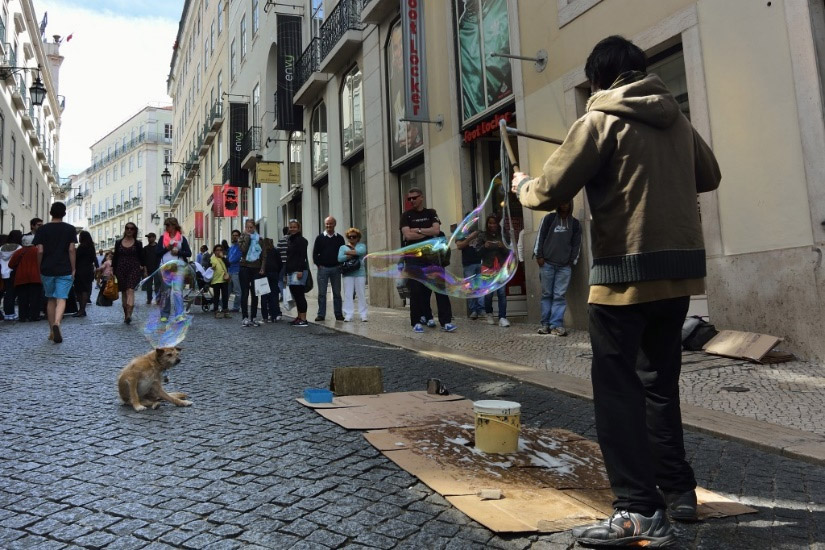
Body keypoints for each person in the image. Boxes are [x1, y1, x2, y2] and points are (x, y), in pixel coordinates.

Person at [512, 35, 721, 547]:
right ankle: (679, 491)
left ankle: (637, 510)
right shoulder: (677, 119)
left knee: (616, 390)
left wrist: (520, 184)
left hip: (624, 277)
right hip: (677, 278)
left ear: (599, 80)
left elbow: (550, 190)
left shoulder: (599, 120)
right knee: (658, 383)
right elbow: (710, 176)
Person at [400, 187, 456, 333]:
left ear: (421, 197)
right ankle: (416, 321)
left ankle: (446, 322)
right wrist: (427, 233)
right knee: (416, 291)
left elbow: (436, 231)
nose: (411, 201)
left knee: (440, 290)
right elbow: (407, 236)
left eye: (414, 197)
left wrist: (417, 230)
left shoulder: (431, 213)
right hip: (414, 258)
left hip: (432, 258)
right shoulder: (406, 215)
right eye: (409, 198)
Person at [532, 202, 582, 336]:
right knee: (547, 295)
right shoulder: (549, 219)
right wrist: (539, 255)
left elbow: (576, 244)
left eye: (567, 202)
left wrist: (572, 261)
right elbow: (540, 237)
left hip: (564, 267)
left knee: (559, 296)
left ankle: (556, 325)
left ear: (571, 204)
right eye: (562, 201)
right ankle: (545, 325)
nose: (564, 204)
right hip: (547, 263)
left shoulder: (575, 224)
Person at [33, 202, 76, 344]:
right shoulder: (70, 229)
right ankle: (58, 322)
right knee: (61, 298)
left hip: (47, 268)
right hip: (64, 268)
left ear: (50, 213)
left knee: (50, 299)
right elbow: (71, 250)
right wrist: (73, 267)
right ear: (64, 214)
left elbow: (39, 251)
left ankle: (52, 330)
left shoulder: (42, 230)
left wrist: (40, 267)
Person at [155, 217, 192, 322]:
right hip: (164, 267)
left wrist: (178, 252)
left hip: (178, 267)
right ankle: (164, 314)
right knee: (165, 291)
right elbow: (157, 253)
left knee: (177, 291)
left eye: (168, 225)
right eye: (165, 225)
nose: (166, 227)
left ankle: (179, 314)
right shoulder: (162, 238)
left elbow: (189, 253)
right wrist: (167, 248)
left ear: (174, 226)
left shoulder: (181, 238)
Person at [478, 215, 511, 327]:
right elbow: (477, 253)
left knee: (502, 293)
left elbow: (509, 253)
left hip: (501, 268)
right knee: (488, 294)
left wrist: (503, 247)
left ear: (498, 224)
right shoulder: (482, 236)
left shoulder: (503, 235)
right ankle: (489, 313)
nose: (492, 225)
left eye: (494, 223)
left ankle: (502, 317)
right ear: (487, 224)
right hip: (487, 267)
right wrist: (484, 246)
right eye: (490, 223)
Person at [312, 216, 345, 322]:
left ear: (334, 224)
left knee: (337, 293)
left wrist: (340, 264)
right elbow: (315, 253)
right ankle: (321, 315)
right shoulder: (319, 238)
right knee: (322, 293)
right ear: (324, 224)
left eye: (330, 224)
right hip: (323, 269)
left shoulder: (340, 238)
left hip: (336, 269)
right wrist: (318, 265)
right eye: (327, 224)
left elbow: (343, 252)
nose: (328, 226)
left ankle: (338, 314)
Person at [112, 222, 145, 324]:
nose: (129, 230)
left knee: (130, 290)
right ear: (125, 230)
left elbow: (142, 258)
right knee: (124, 292)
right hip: (120, 269)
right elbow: (115, 257)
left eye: (132, 229)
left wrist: (143, 268)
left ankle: (129, 314)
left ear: (134, 231)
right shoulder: (118, 242)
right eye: (127, 228)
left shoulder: (138, 243)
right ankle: (126, 314)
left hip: (134, 268)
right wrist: (113, 270)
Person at [455, 214, 485, 320]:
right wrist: (470, 238)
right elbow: (459, 246)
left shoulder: (480, 232)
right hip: (468, 264)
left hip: (480, 262)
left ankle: (481, 309)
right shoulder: (461, 233)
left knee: (480, 287)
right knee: (470, 288)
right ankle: (473, 310)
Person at [238, 219, 267, 327]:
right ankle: (245, 317)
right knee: (245, 293)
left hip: (256, 268)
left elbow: (264, 255)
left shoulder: (260, 239)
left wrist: (263, 267)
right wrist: (247, 237)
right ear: (245, 228)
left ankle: (253, 317)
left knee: (255, 293)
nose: (250, 229)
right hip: (245, 267)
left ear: (254, 227)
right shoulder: (242, 237)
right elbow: (243, 250)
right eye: (248, 227)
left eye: (251, 227)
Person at [8, 234, 41, 322]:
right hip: (35, 277)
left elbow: (10, 264)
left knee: (22, 299)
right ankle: (34, 316)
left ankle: (23, 316)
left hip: (21, 277)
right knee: (35, 298)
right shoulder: (37, 251)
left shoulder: (19, 252)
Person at [338, 227, 368, 322]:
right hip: (348, 273)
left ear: (358, 237)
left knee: (361, 294)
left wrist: (347, 253)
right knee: (348, 294)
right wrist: (353, 254)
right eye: (350, 237)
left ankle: (363, 314)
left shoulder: (361, 245)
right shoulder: (342, 247)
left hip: (360, 273)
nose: (351, 238)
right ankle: (348, 314)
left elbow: (361, 252)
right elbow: (339, 258)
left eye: (354, 237)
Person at [285, 219, 310, 327]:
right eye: (291, 227)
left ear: (298, 228)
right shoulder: (290, 240)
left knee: (300, 295)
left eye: (294, 227)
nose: (292, 229)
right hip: (291, 271)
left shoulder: (301, 240)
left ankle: (303, 319)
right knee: (295, 295)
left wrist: (300, 270)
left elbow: (302, 256)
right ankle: (299, 317)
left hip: (298, 271)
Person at [72, 231, 99, 318]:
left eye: (80, 236)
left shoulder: (81, 247)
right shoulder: (91, 247)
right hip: (88, 270)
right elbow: (94, 258)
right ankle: (82, 309)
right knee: (85, 289)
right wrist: (97, 267)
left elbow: (76, 258)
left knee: (80, 290)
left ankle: (82, 309)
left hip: (80, 270)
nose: (79, 238)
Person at [1, 230, 23, 321]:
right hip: (13, 271)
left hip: (3, 272)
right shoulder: (19, 248)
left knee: (7, 294)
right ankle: (11, 313)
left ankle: (7, 313)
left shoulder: (2, 247)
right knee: (12, 293)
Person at [260, 237, 282, 323]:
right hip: (274, 273)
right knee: (274, 295)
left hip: (264, 275)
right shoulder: (275, 251)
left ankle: (265, 316)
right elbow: (280, 263)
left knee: (264, 296)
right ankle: (274, 315)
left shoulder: (262, 253)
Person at [209, 243, 231, 318]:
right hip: (216, 280)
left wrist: (223, 258)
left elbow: (228, 265)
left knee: (225, 296)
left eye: (220, 250)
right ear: (214, 251)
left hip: (224, 279)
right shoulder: (212, 259)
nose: (219, 251)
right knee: (216, 296)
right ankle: (216, 310)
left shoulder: (223, 258)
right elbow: (208, 268)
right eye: (217, 250)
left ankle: (225, 310)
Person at [141, 233, 161, 304]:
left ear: (154, 238)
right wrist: (145, 271)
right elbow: (143, 261)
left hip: (157, 269)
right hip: (148, 269)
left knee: (157, 285)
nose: (149, 239)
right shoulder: (145, 248)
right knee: (148, 286)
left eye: (150, 237)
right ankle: (149, 298)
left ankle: (158, 299)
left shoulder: (159, 247)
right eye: (148, 237)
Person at [227, 229, 242, 312]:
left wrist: (228, 261)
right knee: (227, 291)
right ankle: (224, 306)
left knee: (237, 291)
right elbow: (228, 258)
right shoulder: (231, 247)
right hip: (229, 271)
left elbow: (237, 258)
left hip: (236, 271)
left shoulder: (240, 247)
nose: (234, 237)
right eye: (233, 235)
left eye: (236, 235)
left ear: (239, 237)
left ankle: (236, 307)